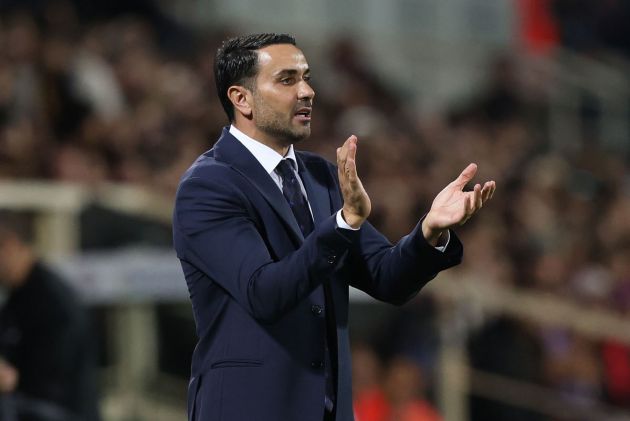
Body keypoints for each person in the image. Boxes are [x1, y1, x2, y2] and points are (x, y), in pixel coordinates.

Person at [172, 33, 496, 421]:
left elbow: (386, 278)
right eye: (287, 80)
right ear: (241, 99)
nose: (307, 91)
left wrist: (430, 231)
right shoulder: (208, 186)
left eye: (306, 77)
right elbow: (264, 292)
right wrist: (343, 223)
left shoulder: (321, 176)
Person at [0, 211, 101, 421]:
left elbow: (51, 383)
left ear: (9, 245)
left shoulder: (53, 301)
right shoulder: (17, 295)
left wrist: (10, 379)